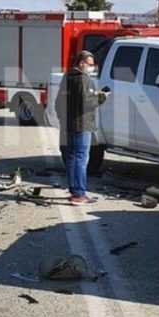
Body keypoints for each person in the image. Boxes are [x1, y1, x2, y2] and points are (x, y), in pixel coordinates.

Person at [55, 51, 108, 205]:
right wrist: (102, 97)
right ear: (81, 63)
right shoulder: (83, 79)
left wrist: (63, 119)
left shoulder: (67, 77)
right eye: (90, 64)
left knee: (71, 157)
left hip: (67, 125)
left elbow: (58, 103)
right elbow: (87, 102)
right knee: (80, 158)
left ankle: (74, 191)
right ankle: (79, 194)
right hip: (81, 125)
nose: (92, 67)